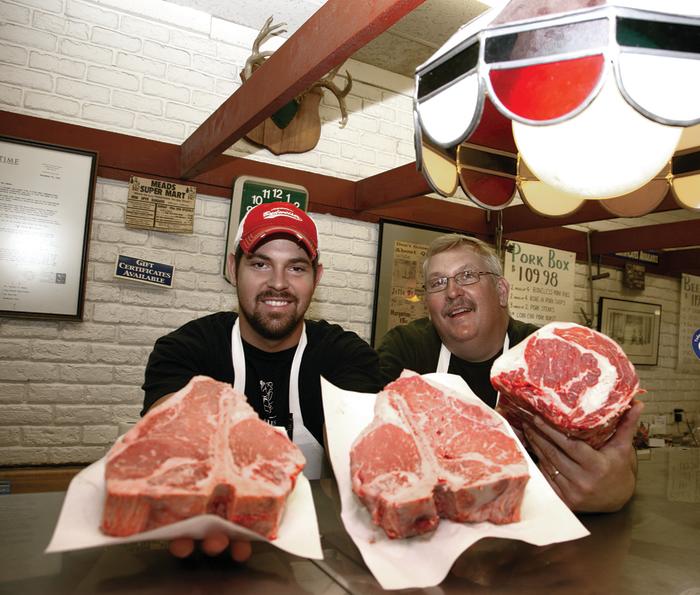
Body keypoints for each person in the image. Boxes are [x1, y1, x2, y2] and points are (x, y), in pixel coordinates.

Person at [141, 201, 382, 561]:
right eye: (260, 264)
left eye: (296, 267)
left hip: (318, 545)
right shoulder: (187, 348)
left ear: (317, 277)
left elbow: (359, 445)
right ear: (232, 268)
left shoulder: (344, 354)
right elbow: (170, 438)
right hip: (208, 537)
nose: (278, 283)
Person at [377, 233, 643, 514]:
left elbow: (618, 451)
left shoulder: (546, 353)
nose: (452, 292)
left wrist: (618, 485)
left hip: (538, 523)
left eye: (467, 276)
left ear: (501, 291)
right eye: (438, 282)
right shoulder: (407, 347)